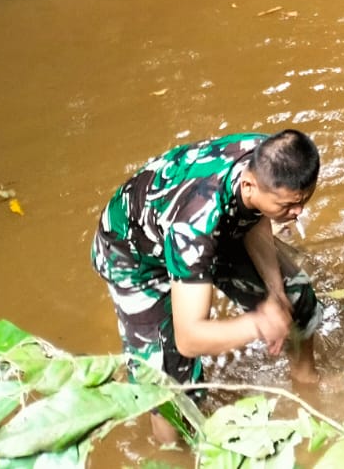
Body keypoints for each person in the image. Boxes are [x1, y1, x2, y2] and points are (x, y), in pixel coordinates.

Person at [93, 130, 322, 438]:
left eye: (303, 201)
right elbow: (189, 337)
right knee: (168, 382)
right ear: (249, 185)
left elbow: (253, 218)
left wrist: (276, 292)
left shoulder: (268, 157)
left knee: (295, 298)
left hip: (204, 231)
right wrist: (259, 323)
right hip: (136, 257)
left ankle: (307, 382)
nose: (298, 213)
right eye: (288, 206)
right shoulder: (195, 226)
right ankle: (171, 452)